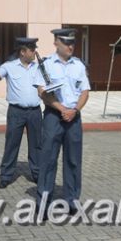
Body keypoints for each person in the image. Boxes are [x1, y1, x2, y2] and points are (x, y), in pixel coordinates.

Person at [34, 28, 90, 215]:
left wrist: (74, 110)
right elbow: (42, 92)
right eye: (66, 43)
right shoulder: (47, 64)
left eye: (72, 43)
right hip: (53, 116)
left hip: (74, 117)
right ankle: (43, 201)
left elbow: (84, 92)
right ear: (57, 42)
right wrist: (62, 109)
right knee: (48, 159)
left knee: (73, 160)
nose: (71, 46)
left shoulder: (78, 65)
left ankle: (71, 201)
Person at [0, 37, 42, 188]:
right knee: (11, 144)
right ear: (23, 52)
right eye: (32, 50)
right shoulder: (9, 66)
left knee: (37, 145)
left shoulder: (39, 67)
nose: (34, 52)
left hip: (35, 112)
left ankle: (37, 174)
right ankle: (6, 176)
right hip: (16, 112)